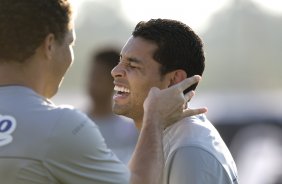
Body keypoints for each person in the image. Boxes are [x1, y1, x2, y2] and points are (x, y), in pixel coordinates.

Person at [0, 1, 206, 184]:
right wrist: (154, 118)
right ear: (50, 45)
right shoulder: (59, 126)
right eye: (71, 43)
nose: (114, 72)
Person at [111, 18, 238, 184]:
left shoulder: (188, 151)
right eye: (120, 61)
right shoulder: (166, 137)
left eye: (133, 65)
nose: (115, 71)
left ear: (174, 80)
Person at [86, 48, 138, 164]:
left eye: (99, 77)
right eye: (91, 76)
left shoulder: (131, 131)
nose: (92, 83)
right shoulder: (74, 123)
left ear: (114, 82)